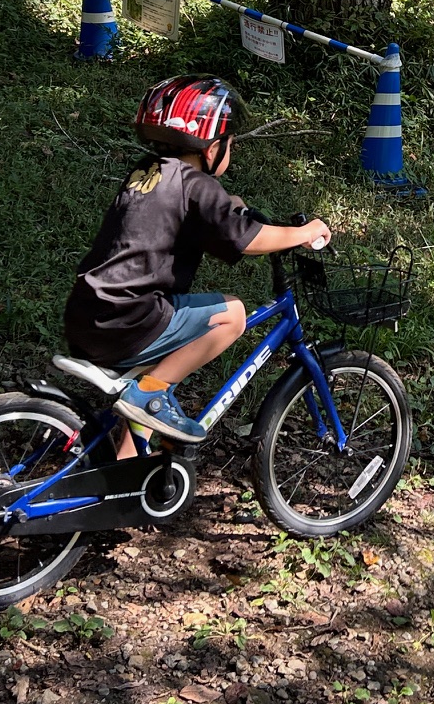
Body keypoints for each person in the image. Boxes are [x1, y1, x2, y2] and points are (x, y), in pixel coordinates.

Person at [63, 76, 332, 449]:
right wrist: (304, 233)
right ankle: (151, 395)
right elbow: (248, 239)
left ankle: (129, 466)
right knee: (232, 313)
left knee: (152, 372)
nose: (230, 149)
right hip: (131, 318)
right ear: (210, 148)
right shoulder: (198, 186)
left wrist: (231, 208)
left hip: (89, 312)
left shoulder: (150, 171)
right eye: (229, 143)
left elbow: (188, 219)